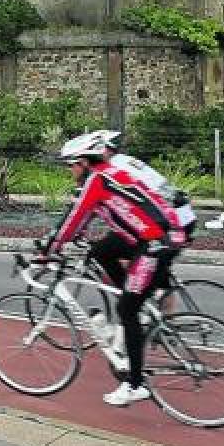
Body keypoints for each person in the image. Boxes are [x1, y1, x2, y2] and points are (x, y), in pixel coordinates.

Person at [42, 131, 188, 407]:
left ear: (85, 162)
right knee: (104, 255)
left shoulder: (97, 180)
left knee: (127, 311)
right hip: (159, 236)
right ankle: (139, 301)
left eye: (73, 164)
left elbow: (74, 219)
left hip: (156, 243)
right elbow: (88, 217)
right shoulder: (109, 174)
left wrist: (48, 251)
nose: (70, 170)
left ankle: (135, 384)